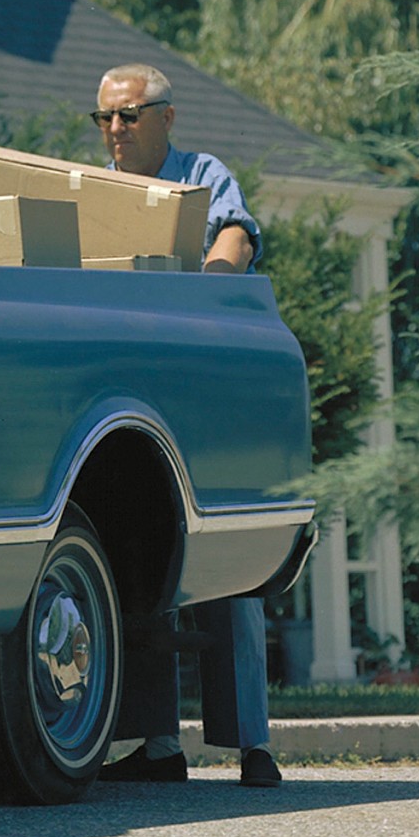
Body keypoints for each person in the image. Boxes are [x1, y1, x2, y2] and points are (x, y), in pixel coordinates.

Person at [89, 63, 281, 787]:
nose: (115, 129)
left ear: (166, 118)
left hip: (205, 384)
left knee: (228, 562)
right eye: (105, 118)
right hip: (133, 393)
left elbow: (235, 238)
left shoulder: (202, 176)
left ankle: (253, 746)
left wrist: (204, 298)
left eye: (129, 115)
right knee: (136, 560)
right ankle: (158, 746)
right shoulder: (96, 191)